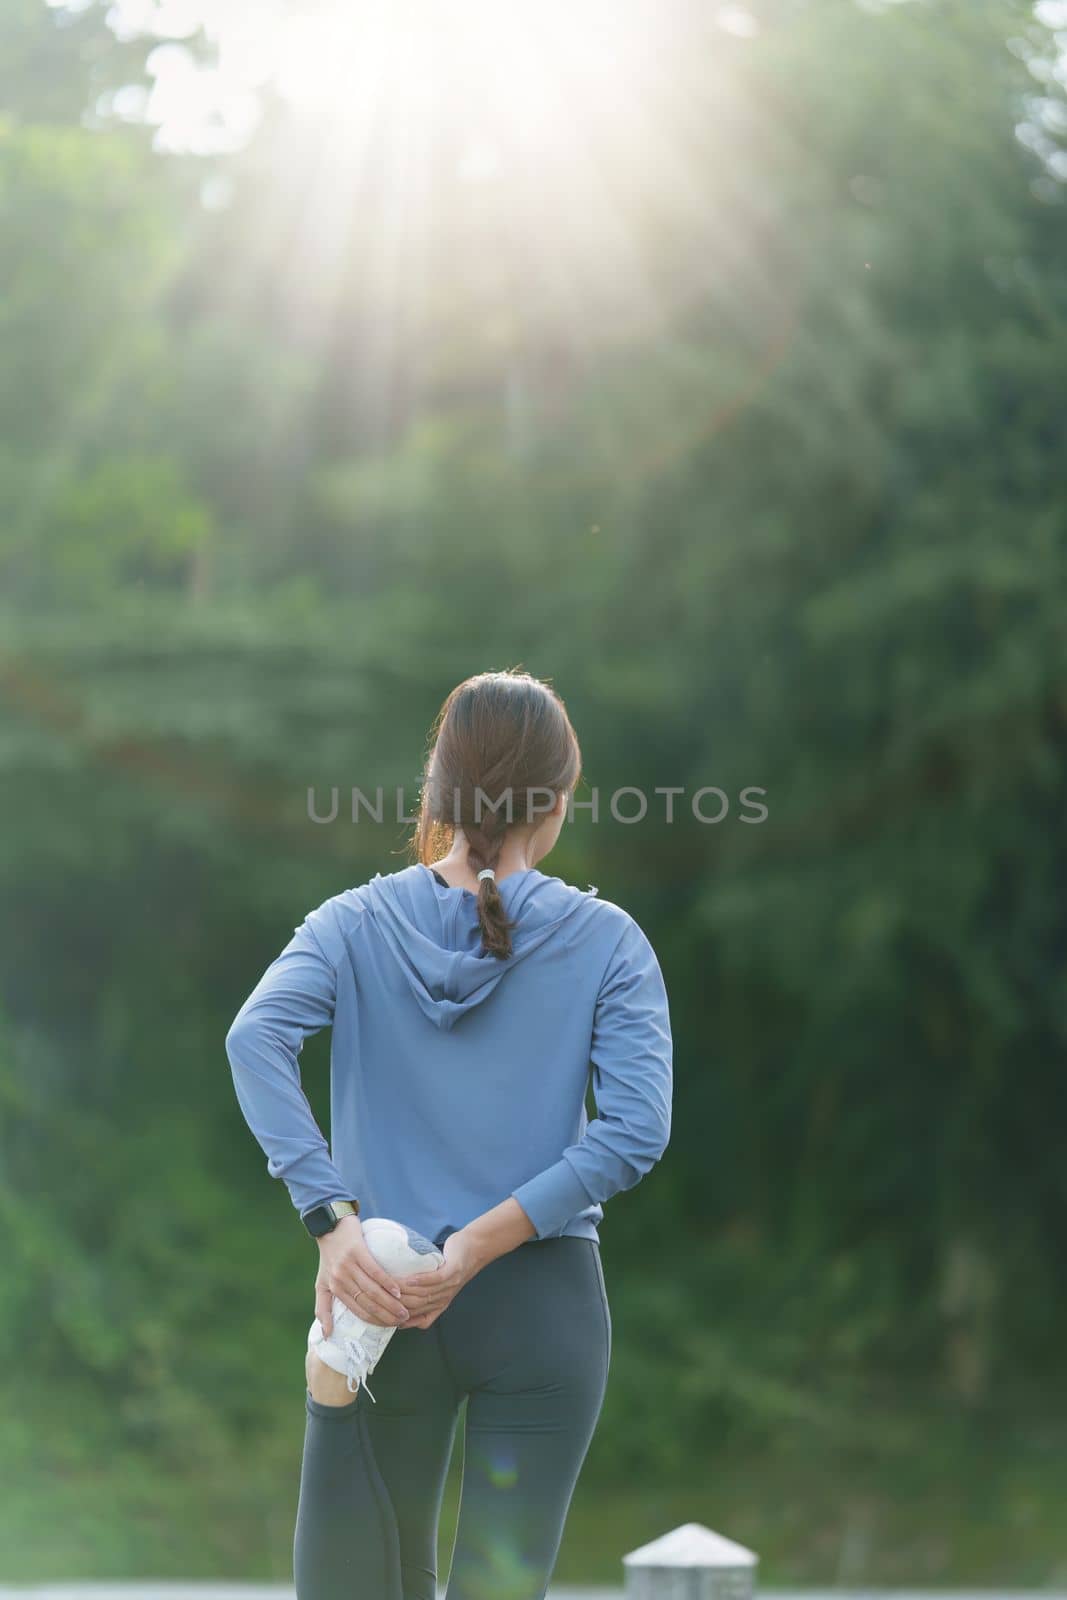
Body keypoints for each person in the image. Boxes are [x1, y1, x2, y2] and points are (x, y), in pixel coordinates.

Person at [224, 668, 674, 1600]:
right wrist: (479, 1245)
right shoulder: (609, 941)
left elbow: (254, 1037)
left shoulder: (350, 923)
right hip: (544, 1306)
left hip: (387, 1294)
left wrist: (332, 1219)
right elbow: (634, 1131)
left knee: (380, 1578)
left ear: (436, 793)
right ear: (552, 805)